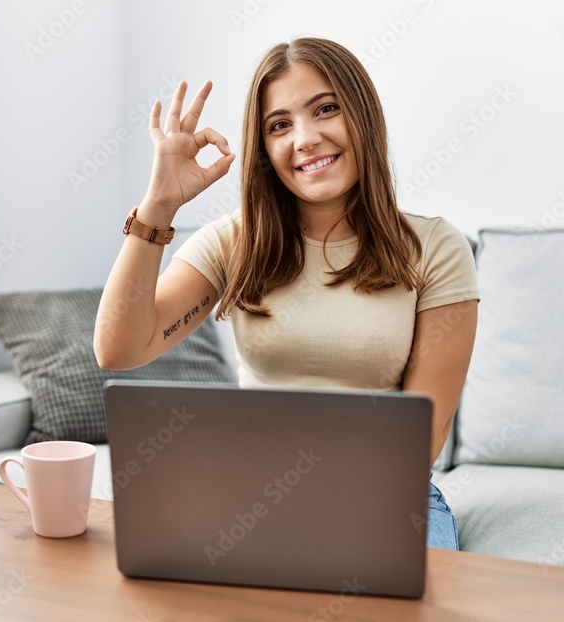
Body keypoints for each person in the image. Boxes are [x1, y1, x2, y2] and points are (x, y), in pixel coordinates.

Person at [94, 37, 479, 550]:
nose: (306, 138)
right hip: (251, 491)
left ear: (363, 115)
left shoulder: (434, 247)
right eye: (280, 125)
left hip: (389, 494)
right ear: (265, 151)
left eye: (326, 109)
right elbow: (119, 349)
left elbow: (423, 439)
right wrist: (159, 206)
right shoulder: (236, 242)